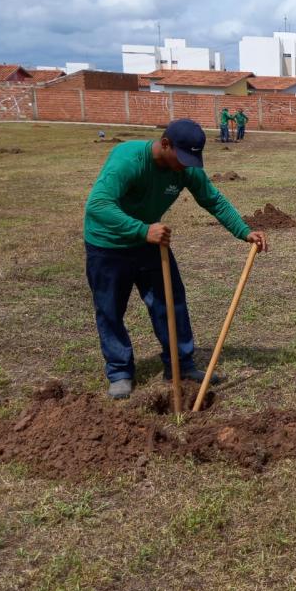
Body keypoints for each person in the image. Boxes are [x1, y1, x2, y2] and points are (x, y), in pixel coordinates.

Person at [83, 119, 269, 399]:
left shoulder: (185, 168)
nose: (186, 165)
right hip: (108, 244)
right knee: (110, 310)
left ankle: (180, 366)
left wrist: (244, 231)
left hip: (150, 242)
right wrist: (142, 230)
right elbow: (98, 205)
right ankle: (120, 372)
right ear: (165, 144)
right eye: (182, 158)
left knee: (170, 304)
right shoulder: (128, 160)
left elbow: (213, 200)